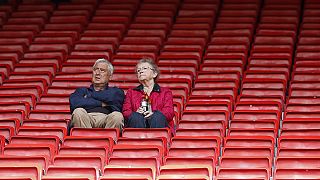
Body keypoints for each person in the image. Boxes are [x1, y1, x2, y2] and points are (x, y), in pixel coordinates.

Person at [69, 58, 125, 130]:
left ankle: (107, 141)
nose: (97, 73)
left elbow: (111, 97)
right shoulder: (82, 90)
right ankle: (87, 141)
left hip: (107, 118)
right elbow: (74, 103)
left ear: (110, 76)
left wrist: (89, 97)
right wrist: (101, 103)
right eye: (96, 69)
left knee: (117, 116)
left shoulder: (116, 91)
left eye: (102, 70)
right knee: (78, 111)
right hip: (86, 117)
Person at [122, 58, 175, 133]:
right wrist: (136, 112)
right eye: (138, 70)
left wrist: (153, 114)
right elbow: (126, 112)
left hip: (159, 124)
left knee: (157, 116)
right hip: (137, 123)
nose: (140, 71)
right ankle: (137, 143)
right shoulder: (131, 92)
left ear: (154, 74)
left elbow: (169, 112)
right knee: (135, 117)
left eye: (144, 68)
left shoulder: (165, 92)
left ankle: (157, 142)